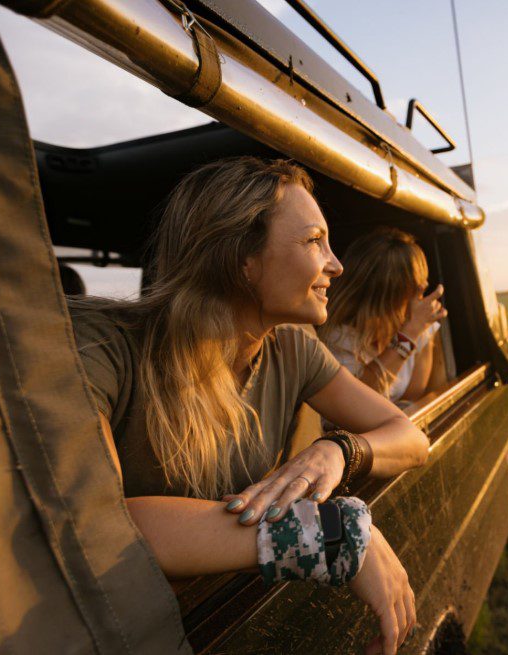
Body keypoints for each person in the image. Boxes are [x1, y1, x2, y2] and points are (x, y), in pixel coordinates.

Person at [69, 157, 429, 655]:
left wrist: (338, 450)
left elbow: (409, 437)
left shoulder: (291, 348)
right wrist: (329, 536)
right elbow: (97, 525)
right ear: (242, 258)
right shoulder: (101, 348)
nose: (336, 264)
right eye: (313, 241)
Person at [318, 228, 447, 408]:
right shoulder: (336, 338)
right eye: (415, 287)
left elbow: (412, 401)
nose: (421, 293)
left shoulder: (420, 326)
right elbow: (354, 404)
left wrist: (415, 332)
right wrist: (407, 337)